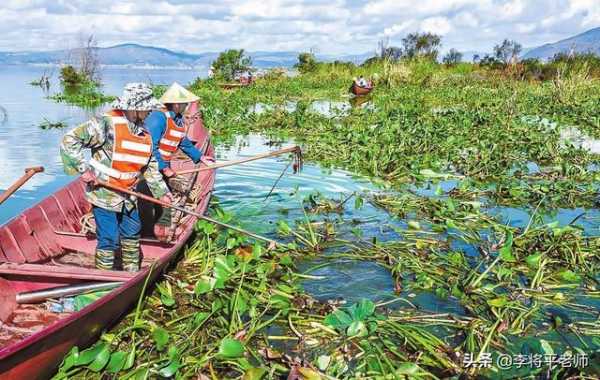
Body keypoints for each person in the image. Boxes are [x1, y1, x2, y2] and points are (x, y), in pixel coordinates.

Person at [60, 83, 172, 271]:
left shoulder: (144, 134)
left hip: (128, 195)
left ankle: (131, 274)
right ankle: (104, 279)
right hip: (104, 193)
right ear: (136, 108)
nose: (150, 113)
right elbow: (69, 140)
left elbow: (150, 168)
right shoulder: (106, 124)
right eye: (146, 109)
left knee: (132, 233)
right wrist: (83, 169)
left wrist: (162, 193)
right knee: (109, 238)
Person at [143, 82, 204, 239]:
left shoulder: (178, 119)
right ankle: (149, 233)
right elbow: (150, 146)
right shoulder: (158, 118)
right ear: (176, 104)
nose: (186, 106)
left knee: (164, 200)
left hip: (162, 167)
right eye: (184, 103)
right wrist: (164, 168)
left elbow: (183, 142)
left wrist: (200, 156)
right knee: (153, 199)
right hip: (146, 168)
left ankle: (159, 231)